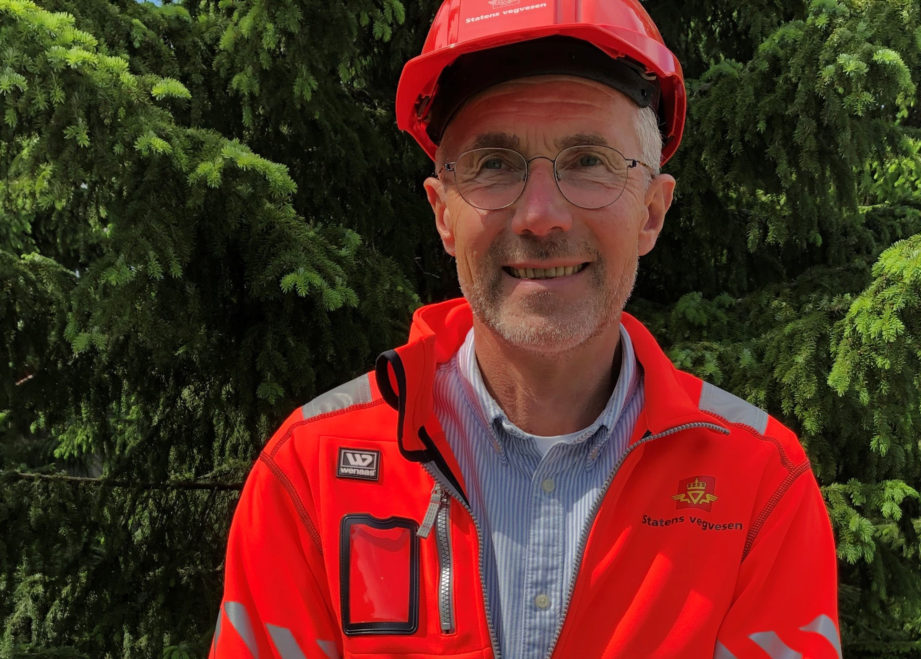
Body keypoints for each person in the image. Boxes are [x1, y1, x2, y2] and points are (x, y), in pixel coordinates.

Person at [210, 1, 841, 657]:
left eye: (589, 160)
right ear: (443, 214)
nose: (541, 216)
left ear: (652, 212)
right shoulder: (311, 473)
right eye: (494, 164)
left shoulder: (759, 483)